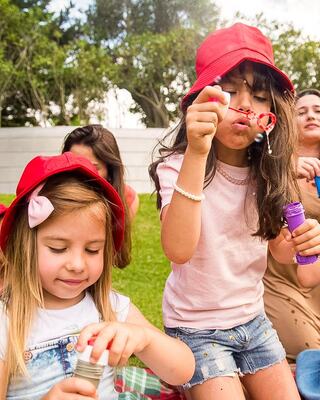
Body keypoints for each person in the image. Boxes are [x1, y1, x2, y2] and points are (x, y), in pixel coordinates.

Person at [149, 23, 320, 400]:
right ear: (200, 101)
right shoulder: (178, 165)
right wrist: (196, 151)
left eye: (260, 96)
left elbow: (281, 252)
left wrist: (305, 240)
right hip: (195, 328)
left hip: (253, 322)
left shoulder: (270, 172)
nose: (245, 104)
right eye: (228, 91)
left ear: (272, 113)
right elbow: (178, 250)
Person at [0, 152, 195, 400]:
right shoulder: (7, 320)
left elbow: (183, 371)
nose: (78, 264)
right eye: (58, 248)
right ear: (24, 246)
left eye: (92, 250)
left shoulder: (110, 308)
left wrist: (144, 339)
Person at [264, 88, 320, 366]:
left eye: (318, 111)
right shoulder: (274, 169)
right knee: (310, 357)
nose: (311, 115)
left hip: (317, 282)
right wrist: (287, 169)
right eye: (302, 111)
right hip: (283, 281)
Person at [62, 124, 139, 269]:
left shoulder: (128, 199)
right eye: (73, 164)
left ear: (109, 171)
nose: (79, 173)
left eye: (92, 167)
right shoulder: (46, 198)